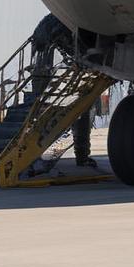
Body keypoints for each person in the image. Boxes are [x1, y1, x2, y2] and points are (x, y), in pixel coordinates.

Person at [27, 14, 94, 168]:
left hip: (41, 78)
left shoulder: (50, 21)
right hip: (60, 81)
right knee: (83, 113)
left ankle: (33, 156)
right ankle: (82, 156)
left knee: (37, 118)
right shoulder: (69, 23)